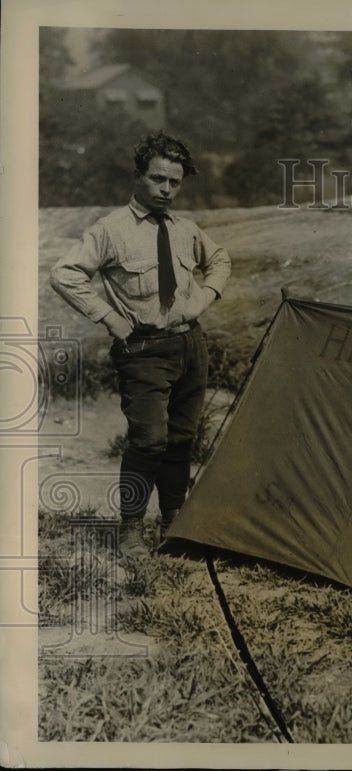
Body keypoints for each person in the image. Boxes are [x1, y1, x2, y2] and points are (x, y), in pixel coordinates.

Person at [50, 131, 231, 555]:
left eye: (175, 182)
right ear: (138, 176)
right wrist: (108, 316)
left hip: (190, 346)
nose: (166, 189)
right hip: (143, 351)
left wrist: (204, 297)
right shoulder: (110, 230)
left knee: (181, 439)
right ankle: (131, 528)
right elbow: (64, 274)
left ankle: (174, 524)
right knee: (149, 440)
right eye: (158, 179)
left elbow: (220, 259)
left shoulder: (185, 229)